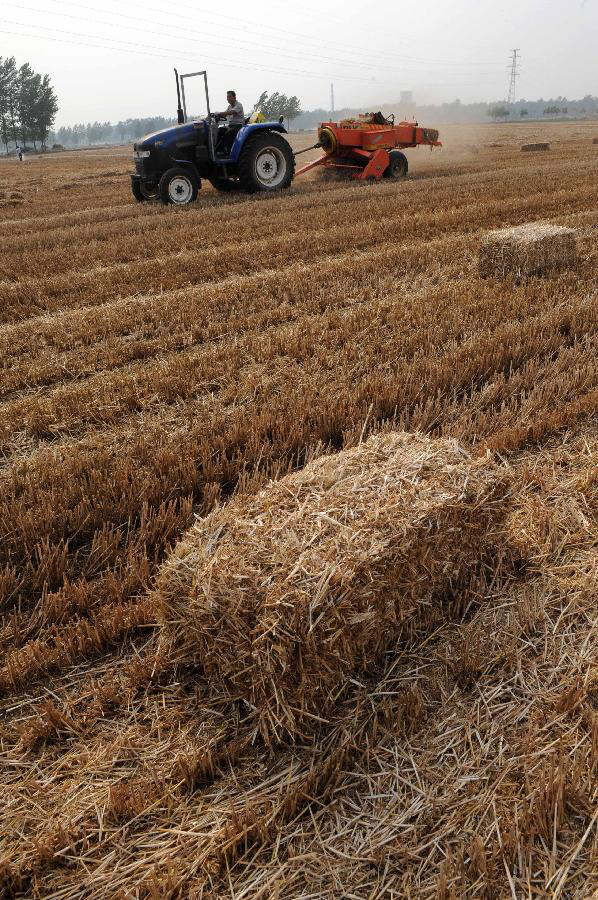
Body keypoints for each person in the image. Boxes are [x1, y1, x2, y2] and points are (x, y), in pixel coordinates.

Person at [214, 90, 244, 155]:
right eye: (227, 97)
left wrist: (219, 113)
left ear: (234, 97)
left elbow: (231, 112)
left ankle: (226, 151)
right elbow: (225, 114)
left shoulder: (239, 105)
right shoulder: (229, 106)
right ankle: (217, 149)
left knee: (228, 133)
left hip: (238, 126)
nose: (228, 99)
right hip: (231, 125)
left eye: (229, 97)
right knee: (220, 130)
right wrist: (215, 115)